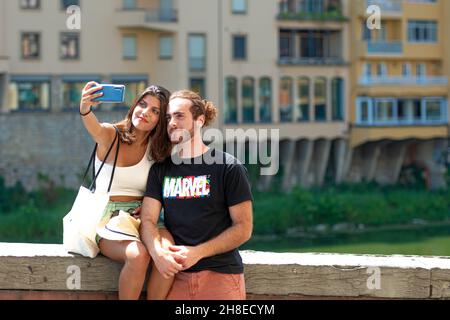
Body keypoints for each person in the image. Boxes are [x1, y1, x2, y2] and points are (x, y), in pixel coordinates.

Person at [140, 90, 254, 300]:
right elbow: (147, 220)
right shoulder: (160, 170)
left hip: (221, 277)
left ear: (200, 120)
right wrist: (158, 255)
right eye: (168, 117)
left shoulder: (228, 168)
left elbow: (244, 228)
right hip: (175, 280)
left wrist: (197, 252)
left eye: (179, 116)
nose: (172, 122)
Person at [79, 82, 175, 300]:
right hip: (107, 218)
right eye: (143, 105)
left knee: (170, 252)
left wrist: (152, 206)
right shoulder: (111, 136)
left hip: (144, 217)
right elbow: (93, 125)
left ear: (161, 120)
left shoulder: (159, 149)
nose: (145, 113)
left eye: (155, 111)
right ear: (134, 106)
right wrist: (85, 107)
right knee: (138, 255)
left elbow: (167, 187)